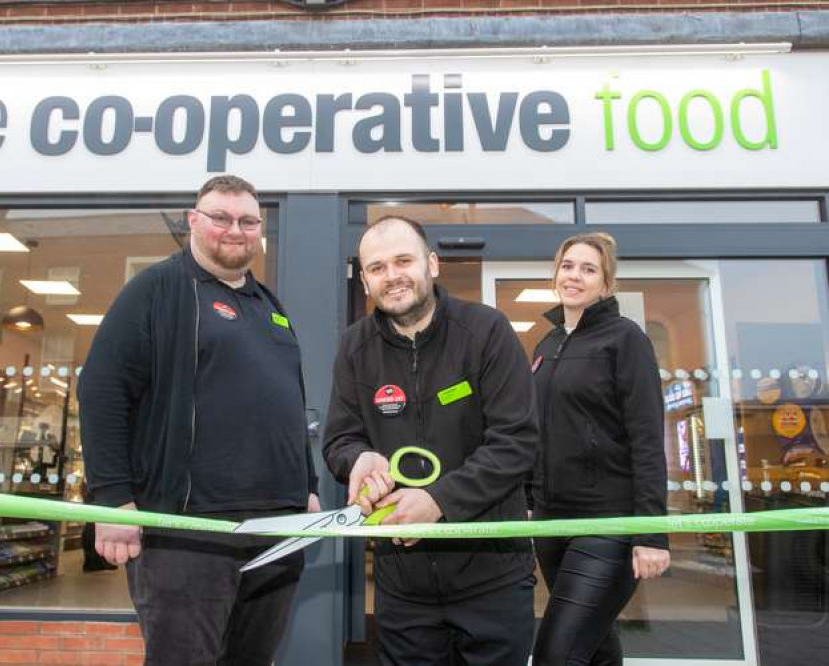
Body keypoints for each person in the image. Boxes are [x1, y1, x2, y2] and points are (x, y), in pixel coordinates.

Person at [78, 174, 320, 665]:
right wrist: (112, 501)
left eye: (248, 220)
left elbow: (289, 404)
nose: (236, 229)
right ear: (193, 221)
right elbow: (101, 391)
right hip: (186, 531)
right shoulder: (157, 290)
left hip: (275, 528)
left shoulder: (268, 306)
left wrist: (307, 486)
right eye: (221, 218)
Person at [323, 216, 539, 665]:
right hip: (403, 587)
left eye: (404, 260)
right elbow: (341, 436)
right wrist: (357, 458)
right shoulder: (354, 348)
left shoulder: (486, 332)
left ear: (432, 264)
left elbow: (515, 441)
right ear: (365, 281)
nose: (393, 275)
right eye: (377, 267)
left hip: (492, 576)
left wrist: (440, 499)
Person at [529, 232, 670, 666]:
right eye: (568, 266)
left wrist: (650, 533)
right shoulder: (546, 345)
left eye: (588, 269)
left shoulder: (625, 339)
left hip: (607, 521)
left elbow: (647, 437)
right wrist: (528, 500)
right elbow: (535, 432)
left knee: (556, 653)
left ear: (607, 285)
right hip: (551, 523)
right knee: (595, 648)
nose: (574, 276)